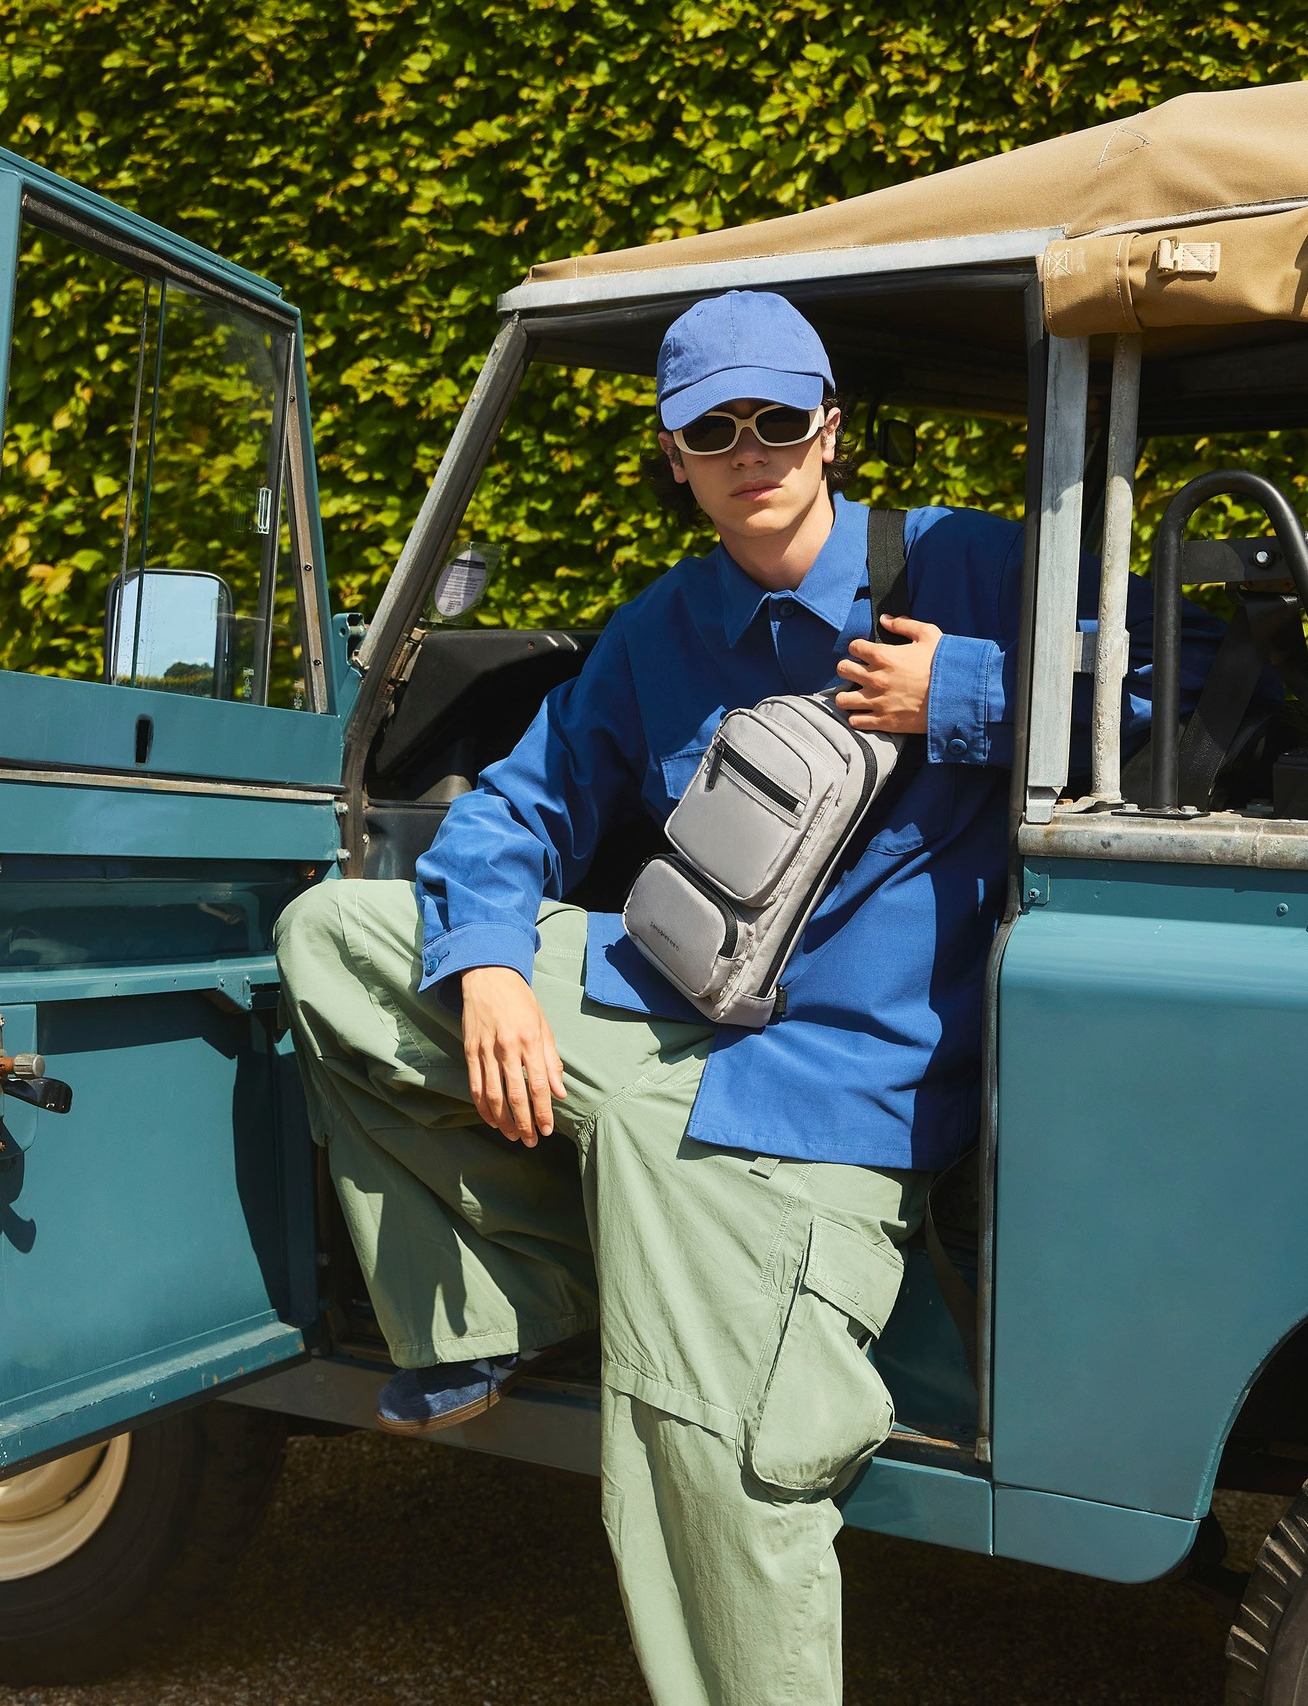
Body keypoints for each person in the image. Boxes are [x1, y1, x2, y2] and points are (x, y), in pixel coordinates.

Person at [275, 289, 1219, 1706]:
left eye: (778, 418)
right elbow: (519, 807)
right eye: (713, 430)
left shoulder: (967, 563)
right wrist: (486, 966)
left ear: (829, 427)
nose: (752, 451)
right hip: (667, 1008)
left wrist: (968, 691)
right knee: (335, 937)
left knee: (700, 1459)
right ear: (675, 456)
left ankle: (650, 1271)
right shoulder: (662, 628)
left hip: (830, 1089)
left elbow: (1190, 686)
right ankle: (500, 1301)